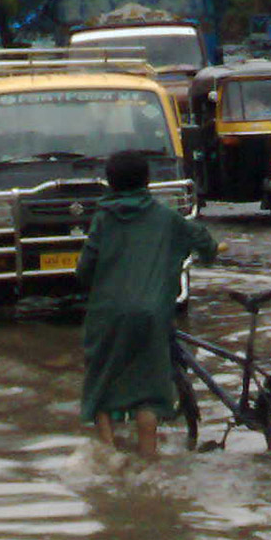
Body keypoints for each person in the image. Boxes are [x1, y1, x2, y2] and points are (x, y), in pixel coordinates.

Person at [77, 149, 218, 459]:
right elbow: (204, 241)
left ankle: (109, 455)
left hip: (109, 313)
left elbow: (84, 268)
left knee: (100, 379)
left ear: (110, 183)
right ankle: (149, 462)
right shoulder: (166, 217)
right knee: (149, 391)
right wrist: (210, 254)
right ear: (147, 181)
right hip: (153, 314)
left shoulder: (103, 220)